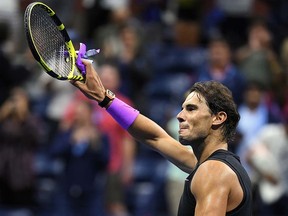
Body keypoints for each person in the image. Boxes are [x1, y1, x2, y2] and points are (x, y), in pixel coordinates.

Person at [71, 60, 252, 215]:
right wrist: (103, 97)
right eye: (182, 108)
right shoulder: (214, 166)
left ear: (218, 118)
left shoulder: (212, 172)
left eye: (191, 109)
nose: (180, 116)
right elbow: (155, 137)